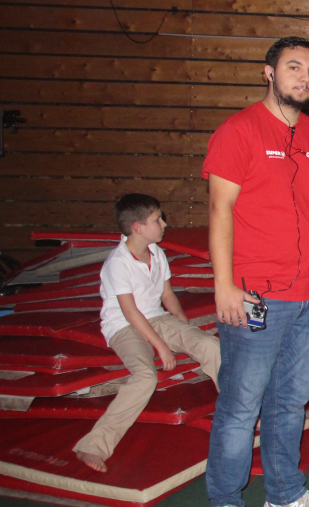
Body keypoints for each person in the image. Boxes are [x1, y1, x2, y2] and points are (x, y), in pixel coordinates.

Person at [204, 37, 309, 507]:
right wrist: (224, 285)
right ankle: (225, 506)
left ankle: (284, 493)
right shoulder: (238, 131)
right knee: (241, 406)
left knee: (291, 401)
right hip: (254, 296)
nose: (305, 77)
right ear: (268, 73)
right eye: (294, 67)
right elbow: (220, 211)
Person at [73, 194, 221, 473]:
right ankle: (92, 446)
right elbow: (130, 312)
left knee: (210, 345)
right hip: (124, 325)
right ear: (138, 227)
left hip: (156, 317)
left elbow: (167, 295)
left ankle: (243, 414)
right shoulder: (118, 263)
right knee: (145, 377)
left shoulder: (157, 253)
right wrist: (161, 347)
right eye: (157, 220)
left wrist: (184, 328)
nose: (164, 224)